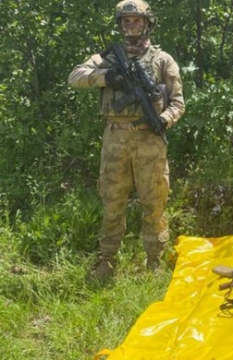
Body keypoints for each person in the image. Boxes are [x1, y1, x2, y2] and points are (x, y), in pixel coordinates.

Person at [68, 0, 185, 280]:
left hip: (150, 140)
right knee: (112, 201)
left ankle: (154, 261)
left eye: (137, 21)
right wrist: (107, 77)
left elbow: (178, 103)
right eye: (126, 21)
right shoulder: (106, 58)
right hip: (116, 138)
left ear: (147, 23)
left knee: (154, 200)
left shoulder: (162, 59)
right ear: (120, 25)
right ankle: (106, 261)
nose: (132, 26)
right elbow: (75, 77)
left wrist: (164, 120)